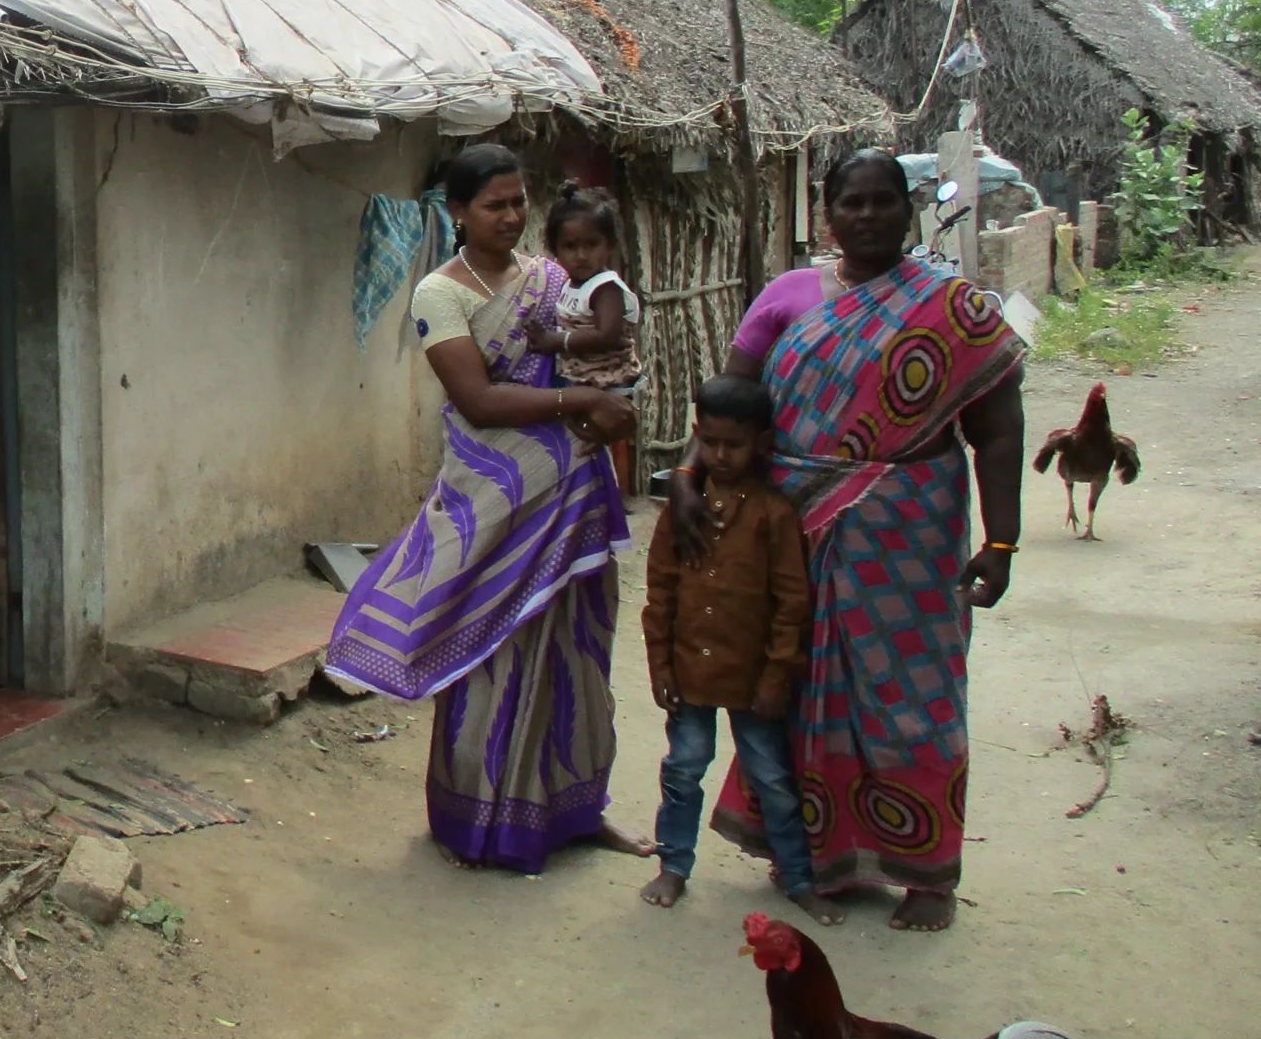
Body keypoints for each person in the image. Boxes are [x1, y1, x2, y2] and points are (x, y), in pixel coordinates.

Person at [673, 148, 1025, 932]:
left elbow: (998, 434)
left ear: (909, 209)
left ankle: (928, 872)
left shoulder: (955, 310)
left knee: (913, 697)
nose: (866, 216)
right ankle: (811, 853)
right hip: (792, 529)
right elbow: (728, 410)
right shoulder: (789, 296)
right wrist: (690, 480)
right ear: (825, 214)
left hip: (910, 533)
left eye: (882, 201)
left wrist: (1002, 543)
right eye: (850, 203)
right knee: (791, 685)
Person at [327, 143, 651, 872]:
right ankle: (481, 822)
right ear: (457, 212)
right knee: (490, 653)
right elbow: (476, 398)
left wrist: (607, 402)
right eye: (494, 205)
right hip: (492, 503)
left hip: (570, 497)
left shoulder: (549, 277)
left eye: (518, 202)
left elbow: (601, 348)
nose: (511, 216)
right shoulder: (441, 293)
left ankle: (576, 811)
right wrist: (581, 402)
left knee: (574, 656)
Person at [638, 375, 837, 925]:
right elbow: (661, 593)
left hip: (753, 678)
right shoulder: (681, 510)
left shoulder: (774, 515)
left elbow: (792, 602)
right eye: (712, 442)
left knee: (773, 778)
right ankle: (673, 864)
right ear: (697, 435)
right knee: (682, 769)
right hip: (689, 670)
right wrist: (660, 664)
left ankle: (798, 877)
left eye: (736, 444)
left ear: (763, 445)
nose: (722, 455)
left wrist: (777, 675)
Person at [528, 182, 642, 398]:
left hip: (610, 388)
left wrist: (556, 341)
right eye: (570, 246)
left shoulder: (605, 289)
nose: (581, 255)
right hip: (582, 384)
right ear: (555, 249)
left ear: (609, 244)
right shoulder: (568, 285)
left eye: (591, 244)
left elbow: (607, 335)